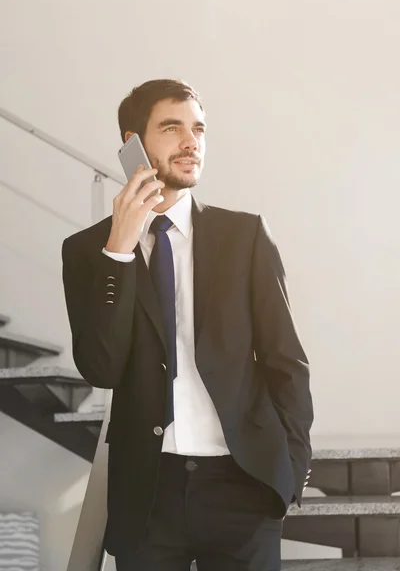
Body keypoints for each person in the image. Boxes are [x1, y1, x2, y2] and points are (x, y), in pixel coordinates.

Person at [62, 79, 313, 571]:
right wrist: (119, 252)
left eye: (198, 128)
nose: (191, 141)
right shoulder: (89, 252)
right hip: (148, 494)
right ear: (132, 144)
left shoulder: (244, 236)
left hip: (243, 486)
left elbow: (287, 361)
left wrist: (292, 467)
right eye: (173, 127)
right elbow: (100, 367)